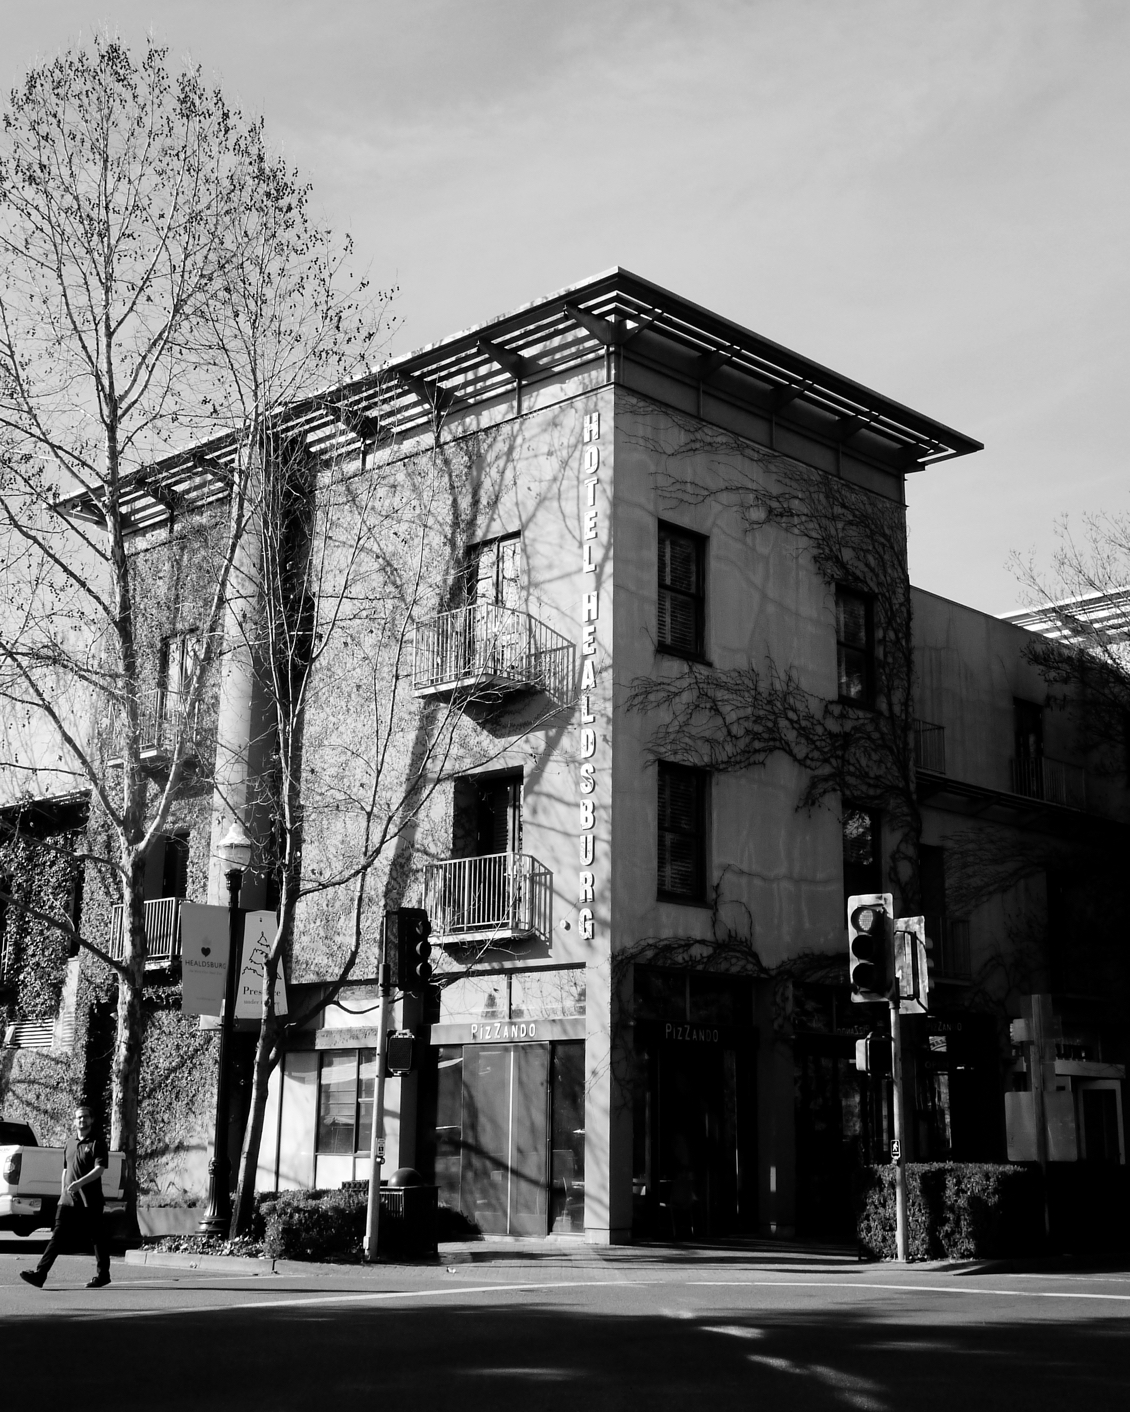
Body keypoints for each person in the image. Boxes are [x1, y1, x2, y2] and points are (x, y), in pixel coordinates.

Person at [20, 1104, 110, 1289]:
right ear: (74, 1121)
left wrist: (80, 1183)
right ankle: (40, 1274)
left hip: (90, 1200)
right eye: (78, 1117)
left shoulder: (97, 1143)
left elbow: (99, 1169)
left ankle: (103, 1275)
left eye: (85, 1117)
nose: (82, 1120)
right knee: (57, 1236)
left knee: (97, 1238)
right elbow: (65, 1170)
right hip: (68, 1200)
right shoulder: (69, 1143)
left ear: (91, 1120)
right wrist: (63, 1193)